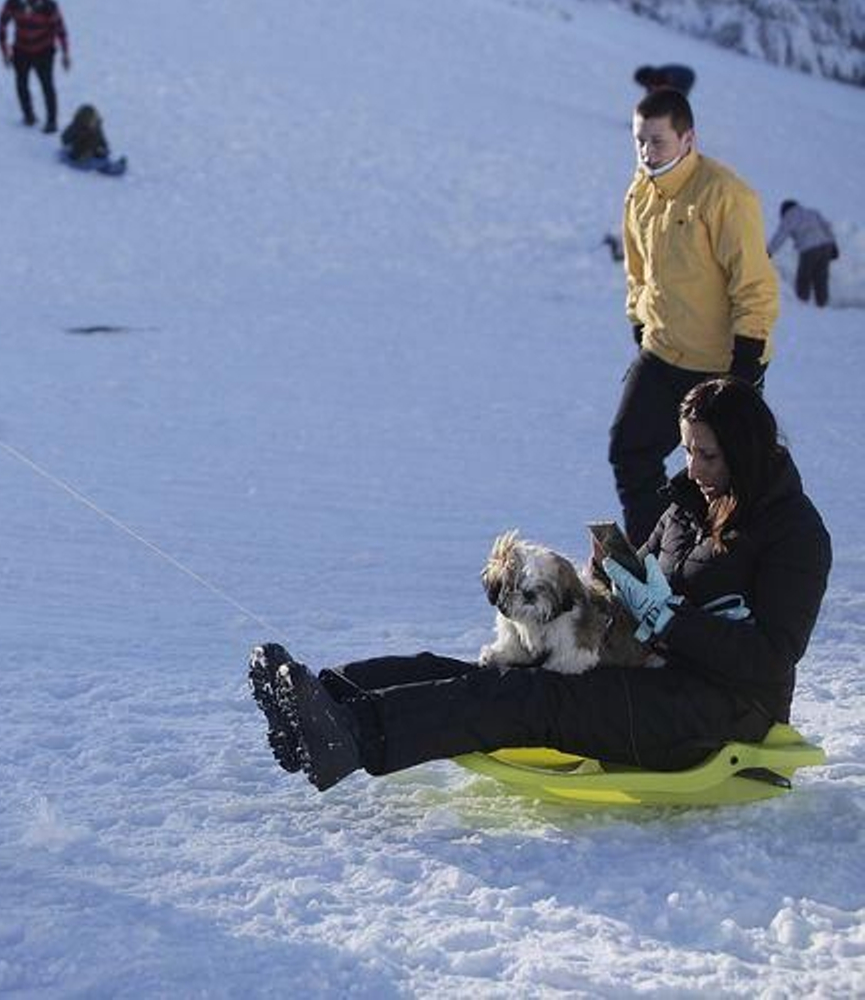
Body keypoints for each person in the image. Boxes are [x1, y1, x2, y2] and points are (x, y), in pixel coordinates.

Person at [250, 377, 831, 793]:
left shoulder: (795, 535)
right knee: (488, 674)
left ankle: (349, 737)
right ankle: (326, 697)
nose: (693, 468)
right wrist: (605, 575)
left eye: (708, 455)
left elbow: (771, 657)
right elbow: (642, 576)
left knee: (528, 698)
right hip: (639, 665)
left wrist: (668, 619)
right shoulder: (689, 506)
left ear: (745, 454)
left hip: (719, 710)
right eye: (687, 451)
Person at [610, 88, 779, 546]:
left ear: (688, 139)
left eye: (657, 141)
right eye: (639, 140)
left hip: (720, 365)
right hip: (662, 353)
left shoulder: (724, 195)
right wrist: (640, 321)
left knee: (727, 473)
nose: (646, 151)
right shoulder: (639, 192)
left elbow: (754, 282)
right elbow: (638, 270)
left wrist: (746, 361)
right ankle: (655, 563)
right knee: (630, 452)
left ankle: (728, 561)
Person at [0, 0, 69, 132]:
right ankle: (28, 115)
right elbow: (2, 25)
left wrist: (65, 53)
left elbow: (60, 30)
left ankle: (51, 121)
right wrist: (5, 52)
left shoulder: (49, 6)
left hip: (44, 50)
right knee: (21, 83)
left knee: (47, 85)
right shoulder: (13, 1)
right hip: (21, 49)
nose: (30, 9)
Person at [768, 199, 838, 308]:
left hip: (809, 249)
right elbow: (827, 227)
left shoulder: (789, 216)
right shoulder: (812, 212)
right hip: (825, 246)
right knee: (821, 278)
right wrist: (834, 246)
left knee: (803, 278)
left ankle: (802, 306)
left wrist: (769, 251)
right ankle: (822, 305)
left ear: (784, 210)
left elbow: (780, 236)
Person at [58, 104, 127, 175]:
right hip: (78, 154)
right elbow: (65, 139)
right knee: (98, 163)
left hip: (93, 151)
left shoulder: (97, 128)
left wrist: (103, 149)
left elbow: (102, 140)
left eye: (94, 119)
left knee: (102, 158)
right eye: (91, 120)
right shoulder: (76, 127)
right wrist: (78, 152)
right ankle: (111, 167)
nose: (93, 122)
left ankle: (114, 166)